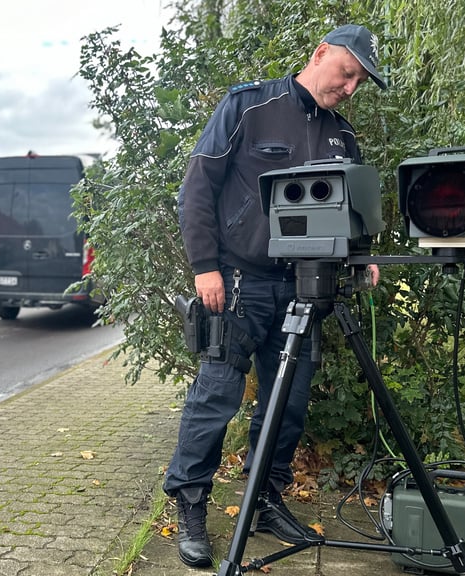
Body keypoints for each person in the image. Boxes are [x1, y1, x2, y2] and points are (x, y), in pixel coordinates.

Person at [165, 24, 387, 567]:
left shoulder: (343, 136)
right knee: (215, 396)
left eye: (359, 80)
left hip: (306, 289)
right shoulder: (248, 106)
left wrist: (365, 256)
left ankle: (265, 499)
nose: (350, 87)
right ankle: (191, 503)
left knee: (286, 404)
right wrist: (204, 267)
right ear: (320, 54)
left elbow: (351, 213)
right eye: (347, 72)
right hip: (237, 285)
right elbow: (197, 188)